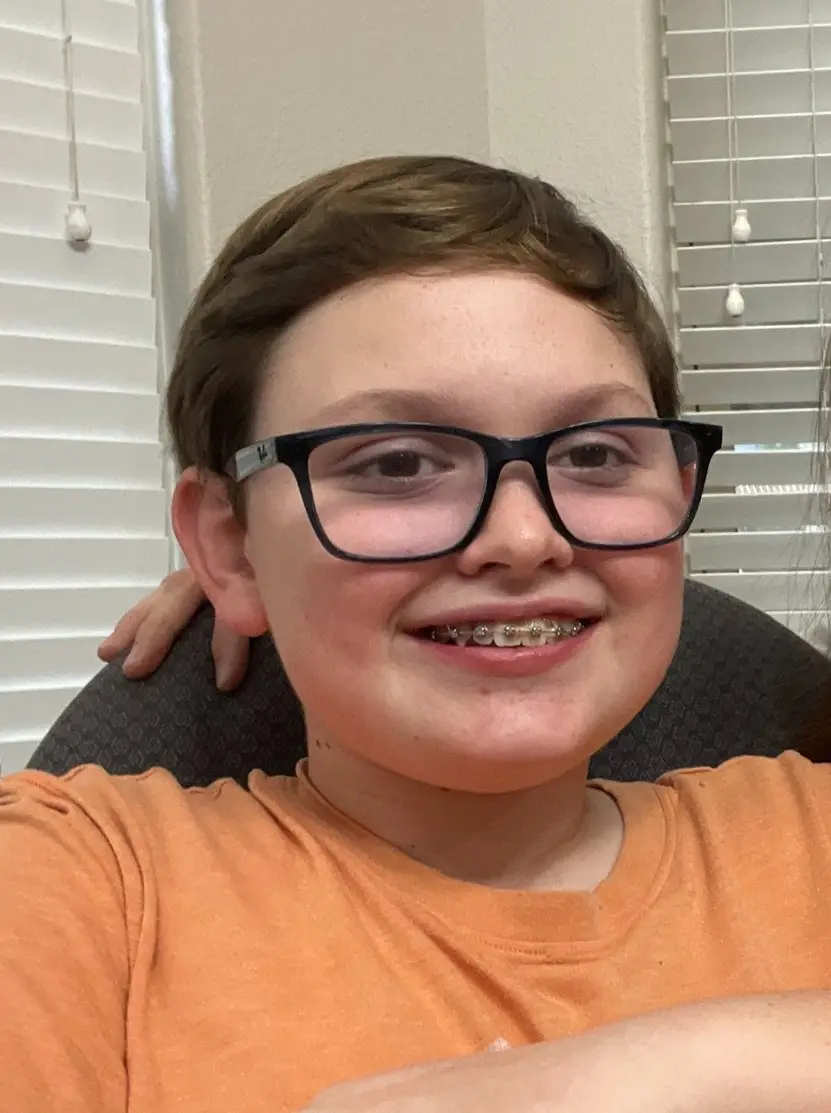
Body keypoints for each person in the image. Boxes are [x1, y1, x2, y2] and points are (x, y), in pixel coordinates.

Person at [2, 154, 831, 1113]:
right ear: (227, 546)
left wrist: (669, 1069)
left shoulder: (808, 833)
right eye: (396, 465)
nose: (523, 538)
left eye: (596, 454)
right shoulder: (79, 889)